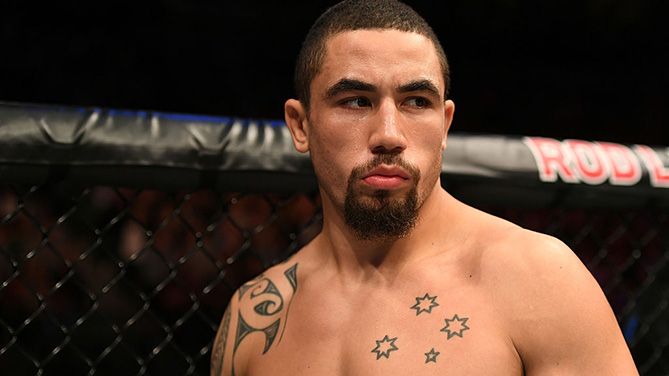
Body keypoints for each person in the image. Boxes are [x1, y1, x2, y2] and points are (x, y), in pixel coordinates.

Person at [211, 1, 639, 374]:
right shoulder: (255, 316)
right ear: (301, 125)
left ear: (446, 123)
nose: (389, 134)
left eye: (417, 101)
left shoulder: (538, 278)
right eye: (356, 100)